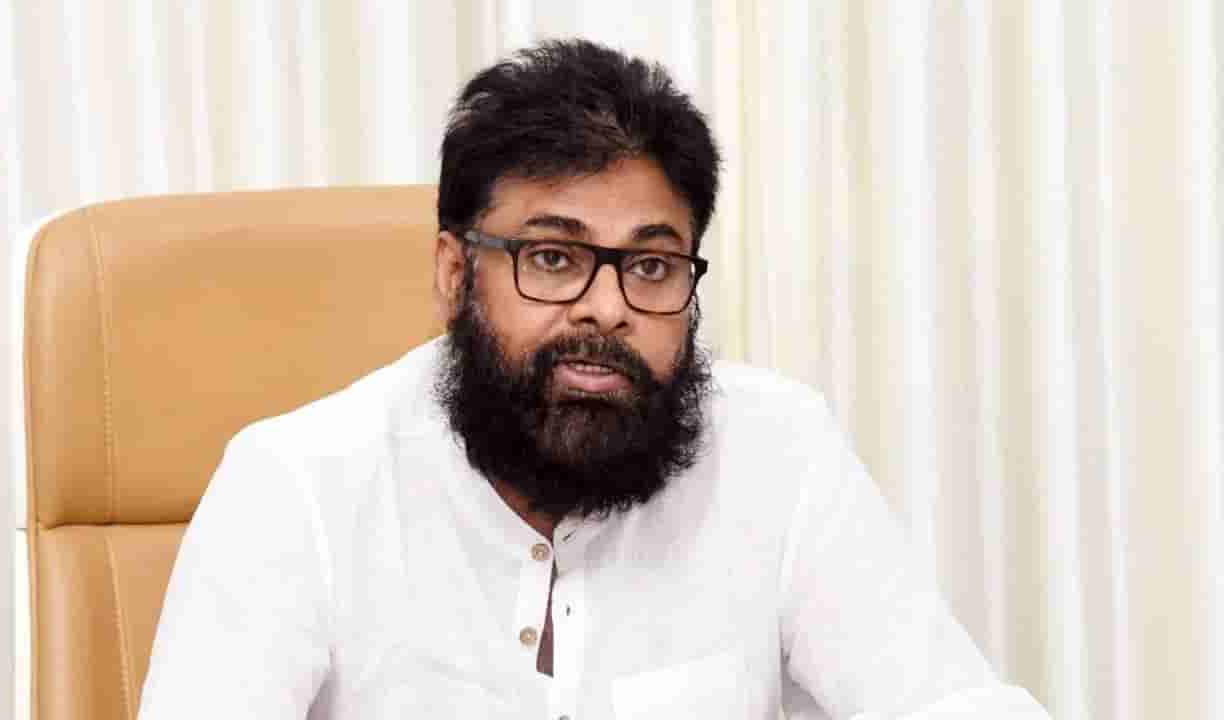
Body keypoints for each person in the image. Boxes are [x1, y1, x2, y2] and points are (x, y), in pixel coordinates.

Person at [138, 39, 1050, 719]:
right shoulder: (298, 485)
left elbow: (943, 700)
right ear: (455, 274)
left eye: (650, 266)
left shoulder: (779, 450)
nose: (607, 309)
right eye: (553, 257)